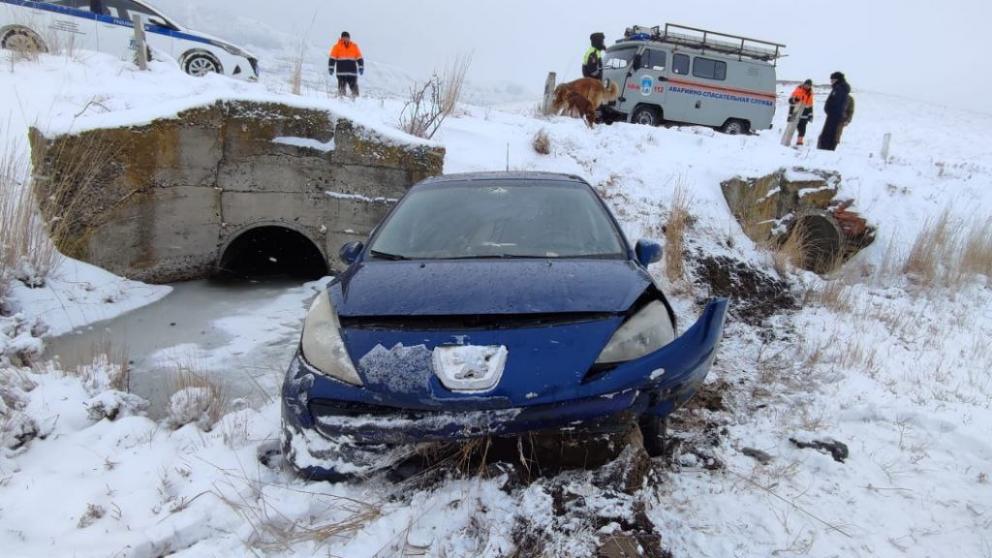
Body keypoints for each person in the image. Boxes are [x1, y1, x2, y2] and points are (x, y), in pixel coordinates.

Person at [817, 71, 851, 151]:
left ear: (837, 79)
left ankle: (825, 149)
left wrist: (830, 110)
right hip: (833, 115)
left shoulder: (839, 89)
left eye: (832, 79)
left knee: (829, 134)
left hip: (834, 116)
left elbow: (836, 103)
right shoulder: (839, 88)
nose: (831, 81)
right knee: (830, 134)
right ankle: (826, 148)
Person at [328, 32, 364, 97]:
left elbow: (359, 58)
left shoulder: (354, 46)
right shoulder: (337, 47)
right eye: (344, 37)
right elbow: (332, 58)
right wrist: (331, 68)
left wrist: (361, 67)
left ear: (349, 38)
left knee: (355, 91)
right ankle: (341, 100)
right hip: (341, 73)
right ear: (341, 38)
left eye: (347, 37)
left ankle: (356, 100)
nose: (346, 39)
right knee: (341, 91)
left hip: (352, 73)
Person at [788, 79, 815, 146]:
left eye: (809, 85)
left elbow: (810, 106)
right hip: (795, 113)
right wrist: (795, 100)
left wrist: (811, 115)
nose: (807, 86)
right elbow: (790, 101)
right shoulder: (798, 90)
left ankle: (799, 142)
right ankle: (786, 141)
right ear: (804, 84)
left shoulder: (810, 94)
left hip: (804, 114)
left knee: (802, 129)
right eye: (806, 85)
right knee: (791, 128)